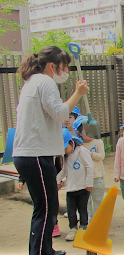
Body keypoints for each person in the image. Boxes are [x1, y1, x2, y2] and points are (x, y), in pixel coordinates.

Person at [13, 46, 89, 255]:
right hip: (35, 155)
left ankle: (45, 249)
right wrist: (78, 93)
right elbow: (59, 113)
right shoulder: (44, 81)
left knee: (45, 206)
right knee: (46, 208)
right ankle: (40, 252)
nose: (66, 71)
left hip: (31, 154)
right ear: (52, 66)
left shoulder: (32, 82)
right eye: (65, 67)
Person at [57, 128, 94, 241]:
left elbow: (90, 166)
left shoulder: (81, 151)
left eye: (64, 148)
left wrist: (89, 183)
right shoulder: (66, 156)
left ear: (70, 142)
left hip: (83, 188)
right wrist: (58, 180)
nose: (63, 151)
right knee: (71, 211)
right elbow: (65, 170)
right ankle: (73, 228)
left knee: (83, 209)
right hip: (70, 189)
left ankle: (83, 227)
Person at [73, 115, 106, 223]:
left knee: (97, 200)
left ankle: (98, 221)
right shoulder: (79, 145)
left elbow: (101, 156)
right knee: (85, 201)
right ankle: (87, 220)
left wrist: (90, 154)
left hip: (97, 177)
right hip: (84, 178)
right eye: (85, 131)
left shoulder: (98, 142)